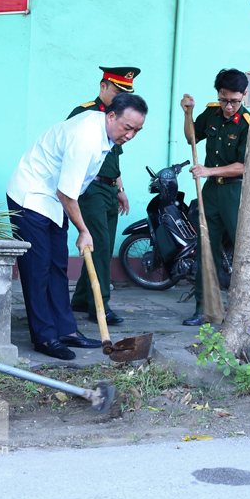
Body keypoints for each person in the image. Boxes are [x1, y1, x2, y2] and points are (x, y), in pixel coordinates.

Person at [7, 93, 148, 360]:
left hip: (54, 198)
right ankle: (45, 337)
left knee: (58, 265)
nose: (130, 135)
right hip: (30, 196)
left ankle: (66, 330)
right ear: (111, 116)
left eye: (136, 130)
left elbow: (67, 192)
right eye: (127, 127)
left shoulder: (103, 131)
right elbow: (66, 193)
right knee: (38, 269)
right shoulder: (86, 139)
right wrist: (84, 231)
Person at [68, 66, 141, 326]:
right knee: (97, 245)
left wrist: (120, 190)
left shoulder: (121, 121)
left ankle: (81, 299)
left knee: (105, 245)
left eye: (126, 93)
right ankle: (101, 305)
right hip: (91, 188)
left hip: (109, 188)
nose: (122, 97)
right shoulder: (85, 114)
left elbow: (114, 160)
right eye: (117, 91)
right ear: (103, 87)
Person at [180, 69, 250, 327]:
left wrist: (209, 170)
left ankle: (244, 308)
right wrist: (187, 113)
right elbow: (191, 137)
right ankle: (204, 308)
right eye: (224, 100)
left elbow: (244, 165)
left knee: (242, 250)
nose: (229, 106)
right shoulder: (211, 113)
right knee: (205, 247)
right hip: (210, 192)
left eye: (234, 101)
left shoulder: (247, 122)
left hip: (235, 192)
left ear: (244, 95)